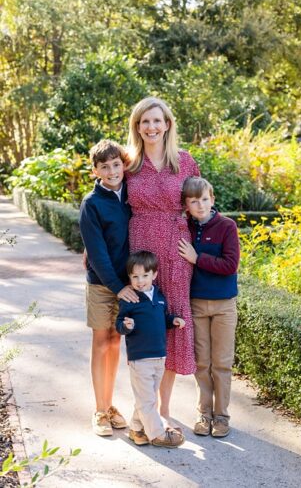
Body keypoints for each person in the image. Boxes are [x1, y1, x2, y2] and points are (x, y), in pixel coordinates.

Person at [124, 95, 200, 425]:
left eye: (157, 121)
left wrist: (206, 249)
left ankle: (163, 409)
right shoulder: (127, 164)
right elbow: (111, 207)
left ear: (167, 124)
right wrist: (91, 243)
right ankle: (144, 405)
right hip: (141, 250)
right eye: (145, 121)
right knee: (144, 325)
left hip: (177, 251)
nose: (151, 127)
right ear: (137, 127)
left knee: (172, 323)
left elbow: (202, 204)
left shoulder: (184, 161)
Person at [79, 138, 137, 436]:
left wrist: (130, 285)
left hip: (129, 284)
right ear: (96, 171)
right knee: (101, 343)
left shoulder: (131, 195)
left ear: (123, 165)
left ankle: (110, 404)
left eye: (117, 165)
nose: (113, 171)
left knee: (116, 341)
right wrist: (117, 287)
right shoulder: (92, 204)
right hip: (104, 285)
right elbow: (97, 253)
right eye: (105, 167)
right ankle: (100, 411)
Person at [177, 176, 239, 438]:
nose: (200, 205)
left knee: (221, 363)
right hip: (197, 304)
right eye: (194, 201)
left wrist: (197, 258)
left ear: (212, 199)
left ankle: (222, 416)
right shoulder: (186, 229)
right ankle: (204, 413)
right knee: (202, 363)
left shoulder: (226, 226)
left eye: (204, 199)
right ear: (187, 205)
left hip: (224, 305)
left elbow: (229, 265)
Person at [116, 250, 187, 447]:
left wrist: (173, 320)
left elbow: (161, 320)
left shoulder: (160, 296)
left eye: (145, 276)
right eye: (135, 277)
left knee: (146, 397)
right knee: (147, 400)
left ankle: (136, 429)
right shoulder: (129, 299)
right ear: (129, 277)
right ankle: (158, 434)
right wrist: (126, 326)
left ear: (154, 275)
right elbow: (119, 323)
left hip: (159, 356)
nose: (140, 281)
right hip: (140, 358)